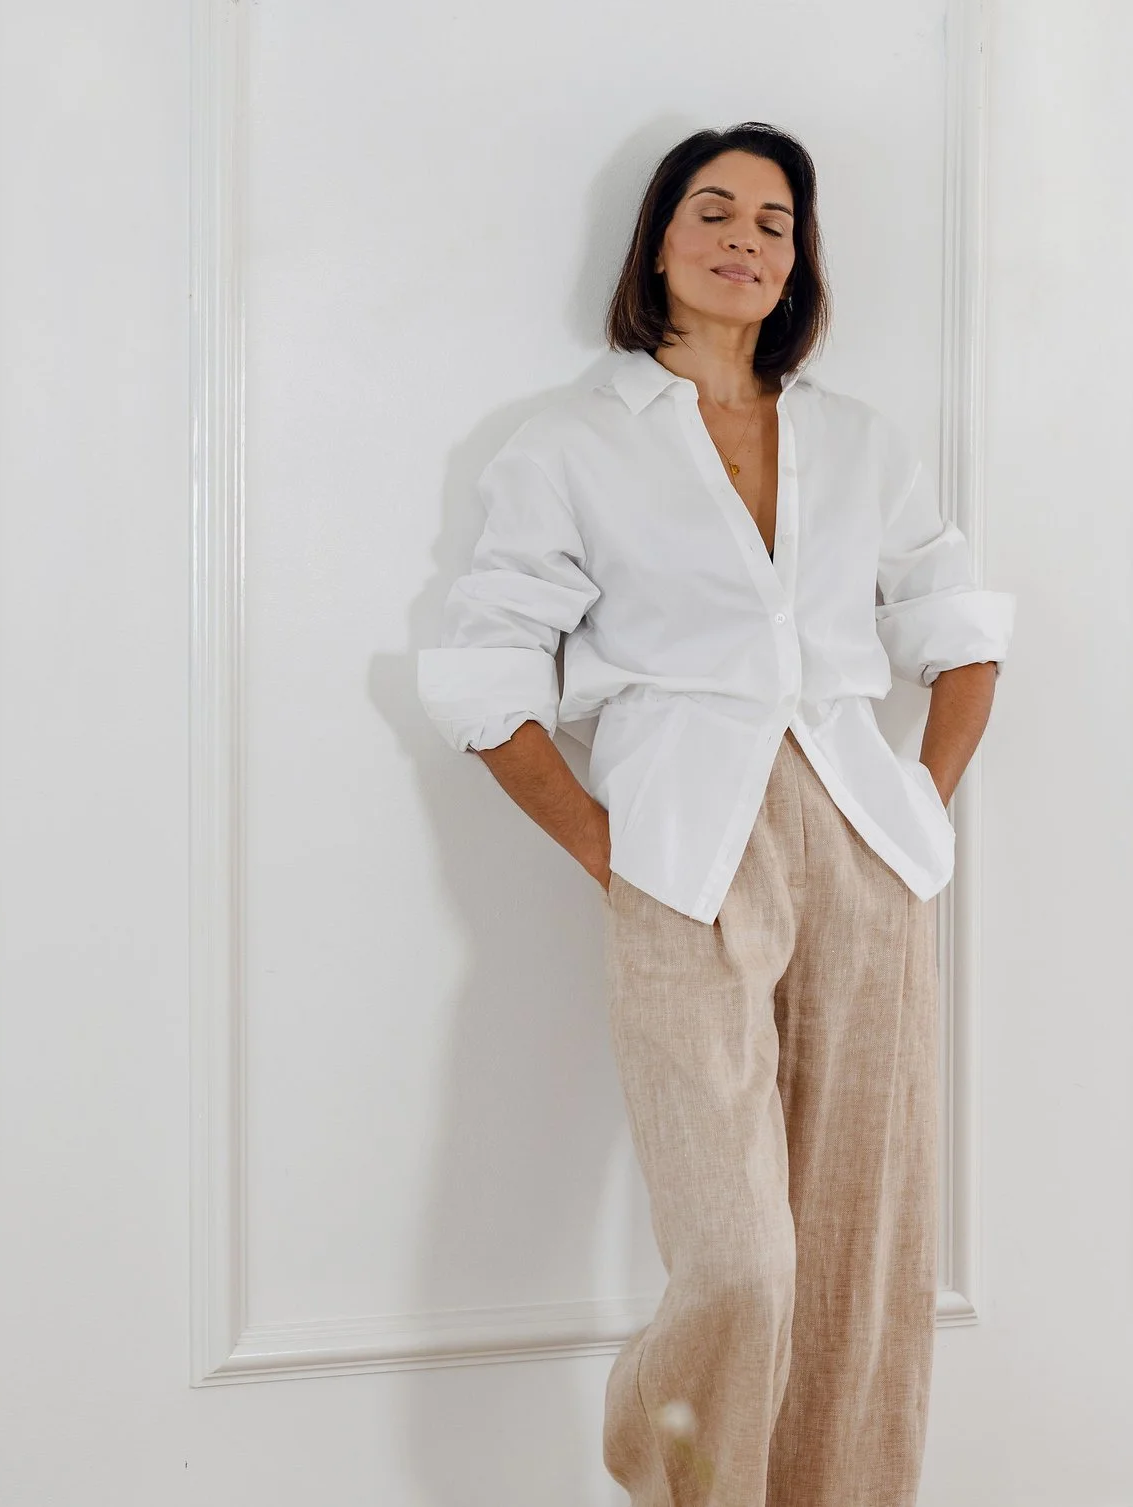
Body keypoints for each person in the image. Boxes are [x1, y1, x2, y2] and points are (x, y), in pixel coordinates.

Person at [415, 122, 1013, 1507]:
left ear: (799, 261)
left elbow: (959, 631)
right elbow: (489, 673)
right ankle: (678, 1473)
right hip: (684, 855)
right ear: (660, 240)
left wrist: (916, 798)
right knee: (743, 1259)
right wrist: (600, 843)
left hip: (866, 848)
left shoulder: (860, 440)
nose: (746, 238)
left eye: (776, 222)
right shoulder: (569, 441)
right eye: (714, 210)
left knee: (863, 1247)